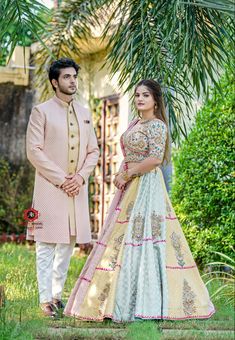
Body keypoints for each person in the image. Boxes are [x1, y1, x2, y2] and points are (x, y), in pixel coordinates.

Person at [64, 79, 215, 322]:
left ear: (155, 100)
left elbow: (155, 159)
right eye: (137, 95)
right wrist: (122, 174)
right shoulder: (136, 122)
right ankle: (116, 300)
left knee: (144, 238)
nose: (140, 99)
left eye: (145, 95)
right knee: (121, 241)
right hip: (131, 186)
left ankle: (147, 303)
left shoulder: (157, 126)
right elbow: (131, 154)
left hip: (146, 186)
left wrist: (127, 174)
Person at [26, 58, 99, 318]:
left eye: (74, 77)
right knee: (45, 244)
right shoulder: (41, 111)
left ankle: (57, 295)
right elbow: (34, 151)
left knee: (67, 244)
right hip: (49, 188)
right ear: (55, 82)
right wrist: (62, 179)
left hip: (75, 190)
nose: (72, 81)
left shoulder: (85, 113)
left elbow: (93, 151)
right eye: (67, 77)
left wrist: (79, 178)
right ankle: (44, 299)